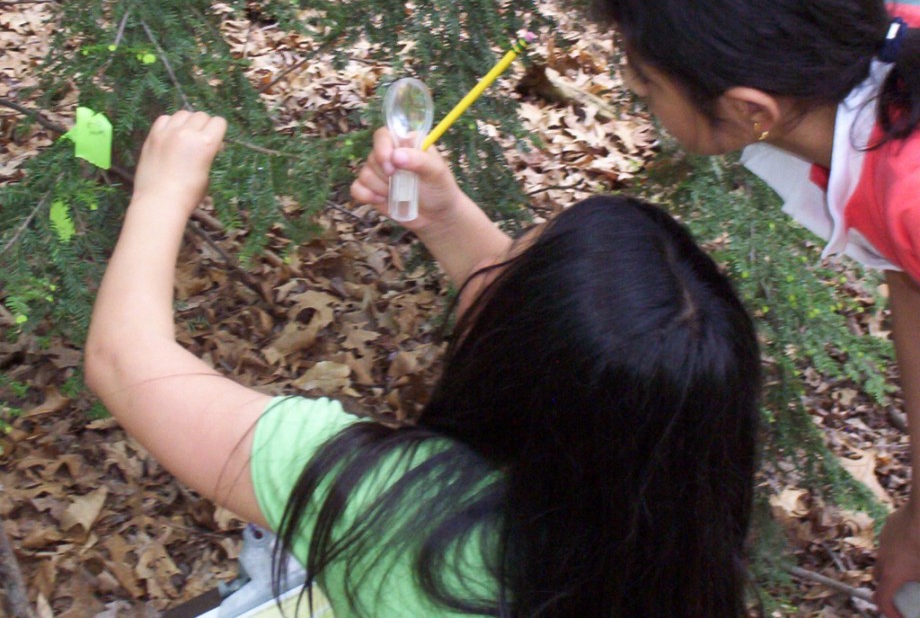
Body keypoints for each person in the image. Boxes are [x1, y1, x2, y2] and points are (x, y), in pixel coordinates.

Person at [85, 112, 761, 617]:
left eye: (517, 253)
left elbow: (127, 362)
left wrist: (161, 193)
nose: (497, 254)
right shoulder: (676, 534)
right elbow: (574, 363)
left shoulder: (396, 504)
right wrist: (446, 220)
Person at [594, 0, 920, 615]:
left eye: (647, 82)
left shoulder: (911, 190)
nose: (632, 88)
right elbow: (911, 279)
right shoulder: (886, 67)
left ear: (751, 110)